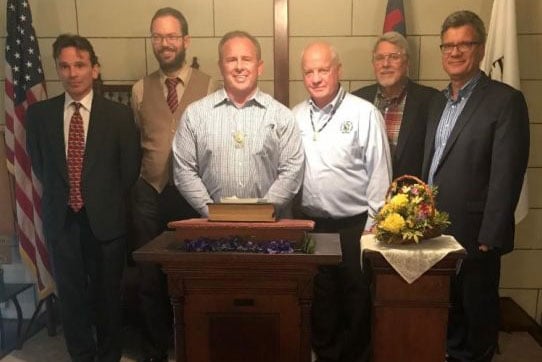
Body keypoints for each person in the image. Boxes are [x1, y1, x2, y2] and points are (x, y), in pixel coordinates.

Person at [422, 10, 529, 362]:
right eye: (448, 45)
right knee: (445, 318)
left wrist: (491, 235)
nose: (454, 52)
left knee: (475, 323)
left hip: (476, 235)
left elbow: (508, 171)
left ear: (481, 49)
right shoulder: (437, 101)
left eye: (464, 44)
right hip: (435, 232)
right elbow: (433, 165)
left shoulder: (504, 100)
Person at [26, 34, 140, 362]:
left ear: (94, 68)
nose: (72, 73)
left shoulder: (118, 116)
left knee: (107, 296)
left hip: (105, 221)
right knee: (72, 297)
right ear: (57, 70)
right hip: (62, 222)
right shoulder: (40, 116)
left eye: (80, 65)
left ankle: (108, 355)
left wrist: (100, 199)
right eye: (64, 66)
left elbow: (128, 169)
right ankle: (82, 355)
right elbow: (39, 164)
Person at [292, 41, 391, 362]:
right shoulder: (294, 116)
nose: (316, 77)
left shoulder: (364, 113)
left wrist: (372, 227)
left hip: (354, 226)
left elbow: (380, 172)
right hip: (313, 224)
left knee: (355, 297)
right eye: (309, 71)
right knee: (321, 297)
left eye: (323, 69)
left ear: (338, 71)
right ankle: (325, 354)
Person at [129, 8, 215, 361]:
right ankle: (155, 347)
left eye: (171, 36)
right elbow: (138, 136)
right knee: (149, 275)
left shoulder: (209, 84)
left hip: (192, 195)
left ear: (185, 40)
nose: (164, 43)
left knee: (192, 272)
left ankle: (193, 344)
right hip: (149, 192)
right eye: (158, 36)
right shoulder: (139, 89)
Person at [172, 30, 304, 217]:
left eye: (246, 59)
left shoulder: (282, 116)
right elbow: (184, 171)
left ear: (259, 67)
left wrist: (263, 213)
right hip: (212, 229)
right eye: (232, 60)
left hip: (271, 229)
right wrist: (212, 212)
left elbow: (292, 170)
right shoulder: (195, 115)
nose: (239, 66)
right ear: (221, 66)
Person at [353, 31, 439, 178]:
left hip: (411, 196)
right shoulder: (357, 100)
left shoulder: (430, 101)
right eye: (379, 58)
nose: (385, 64)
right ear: (373, 64)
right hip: (364, 195)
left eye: (394, 57)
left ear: (407, 62)